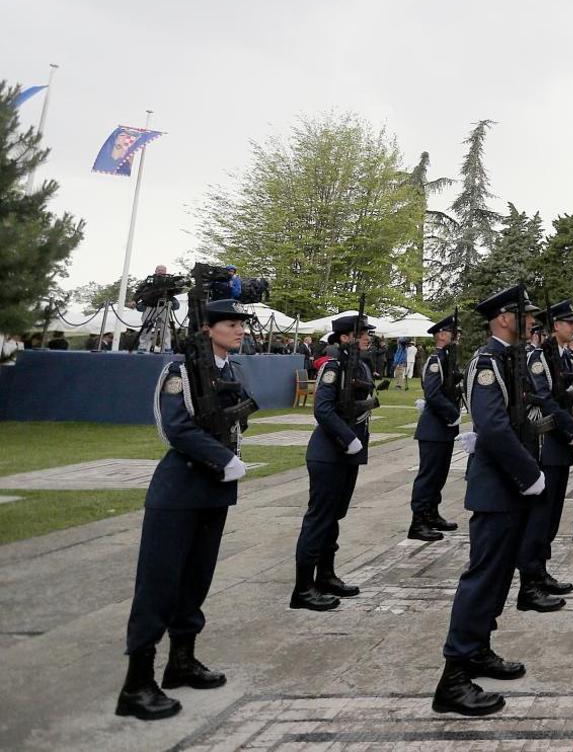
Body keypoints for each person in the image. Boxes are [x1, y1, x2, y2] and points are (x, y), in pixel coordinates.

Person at [115, 298, 256, 722]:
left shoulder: (230, 370)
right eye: (231, 325)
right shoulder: (180, 370)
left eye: (241, 325)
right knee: (158, 585)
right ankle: (136, 684)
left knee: (196, 580)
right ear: (209, 328)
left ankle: (181, 662)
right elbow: (173, 426)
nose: (240, 331)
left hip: (213, 492)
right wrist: (221, 458)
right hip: (179, 491)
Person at [433, 285, 549, 717]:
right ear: (503, 318)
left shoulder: (507, 360)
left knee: (499, 578)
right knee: (482, 579)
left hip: (511, 488)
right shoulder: (486, 363)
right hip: (498, 488)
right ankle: (453, 677)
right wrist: (530, 473)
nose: (532, 322)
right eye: (524, 315)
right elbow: (494, 428)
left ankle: (478, 650)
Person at [290, 313, 377, 611]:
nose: (367, 336)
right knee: (319, 519)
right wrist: (348, 438)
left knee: (333, 518)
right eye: (362, 333)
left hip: (347, 454)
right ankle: (303, 588)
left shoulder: (361, 364)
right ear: (344, 338)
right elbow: (323, 409)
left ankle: (325, 575)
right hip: (329, 453)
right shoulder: (332, 366)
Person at [514, 301, 573, 614]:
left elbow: (562, 393)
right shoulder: (540, 358)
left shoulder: (562, 355)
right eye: (569, 323)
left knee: (552, 514)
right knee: (540, 516)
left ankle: (541, 572)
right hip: (548, 442)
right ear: (556, 326)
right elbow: (542, 396)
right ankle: (529, 583)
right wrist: (571, 427)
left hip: (560, 442)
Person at [409, 316, 462, 543]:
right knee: (428, 476)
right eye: (451, 332)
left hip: (444, 429)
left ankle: (432, 513)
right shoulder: (435, 360)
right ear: (441, 335)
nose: (455, 335)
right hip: (434, 428)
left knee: (439, 475)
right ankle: (418, 522)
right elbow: (432, 393)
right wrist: (452, 413)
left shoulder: (447, 360)